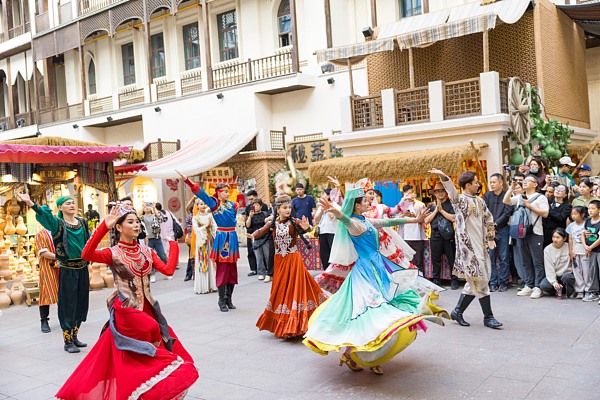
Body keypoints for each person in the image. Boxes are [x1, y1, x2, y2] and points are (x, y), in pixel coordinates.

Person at [56, 205, 199, 399]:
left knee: (156, 354)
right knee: (144, 349)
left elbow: (168, 270)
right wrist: (103, 227)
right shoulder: (113, 253)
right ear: (119, 227)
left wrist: (173, 243)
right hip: (127, 311)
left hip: (148, 309)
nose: (136, 225)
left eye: (137, 221)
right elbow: (86, 254)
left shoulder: (147, 251)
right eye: (130, 222)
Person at [303, 187, 445, 375]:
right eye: (365, 200)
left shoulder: (365, 220)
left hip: (379, 267)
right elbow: (345, 220)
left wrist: (415, 220)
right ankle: (354, 355)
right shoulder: (355, 224)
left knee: (385, 309)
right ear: (356, 205)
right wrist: (336, 211)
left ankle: (373, 357)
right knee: (374, 313)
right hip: (366, 273)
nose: (369, 202)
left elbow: (389, 221)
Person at [17, 192, 91, 353]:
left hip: (83, 268)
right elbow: (45, 216)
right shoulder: (58, 224)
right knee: (68, 305)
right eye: (67, 203)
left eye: (73, 202)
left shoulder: (83, 223)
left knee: (81, 304)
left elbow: (90, 242)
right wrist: (31, 203)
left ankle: (75, 336)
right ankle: (67, 341)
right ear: (60, 207)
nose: (72, 205)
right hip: (68, 269)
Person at [428, 169, 502, 329]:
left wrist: (490, 237)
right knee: (481, 282)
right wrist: (444, 177)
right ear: (468, 185)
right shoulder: (459, 200)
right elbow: (451, 190)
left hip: (481, 247)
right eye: (475, 182)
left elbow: (489, 217)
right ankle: (488, 317)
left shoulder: (480, 201)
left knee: (475, 282)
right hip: (469, 250)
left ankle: (457, 311)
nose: (478, 184)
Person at [252, 194, 326, 338]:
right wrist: (252, 235)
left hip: (293, 260)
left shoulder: (294, 222)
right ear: (278, 209)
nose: (288, 210)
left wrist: (308, 227)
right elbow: (262, 231)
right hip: (280, 261)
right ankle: (282, 321)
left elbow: (311, 230)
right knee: (280, 289)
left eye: (289, 207)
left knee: (294, 289)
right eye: (285, 207)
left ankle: (295, 324)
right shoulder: (273, 223)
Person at [180, 171, 239, 312]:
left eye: (228, 191)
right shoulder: (214, 204)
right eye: (225, 191)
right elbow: (201, 194)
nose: (228, 193)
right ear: (218, 193)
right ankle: (221, 300)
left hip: (232, 237)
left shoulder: (234, 205)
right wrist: (188, 181)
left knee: (232, 270)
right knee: (223, 270)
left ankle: (229, 298)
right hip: (222, 237)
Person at [504, 175, 549, 300]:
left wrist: (530, 206)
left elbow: (545, 213)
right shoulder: (520, 197)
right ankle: (529, 284)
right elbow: (506, 201)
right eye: (524, 181)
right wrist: (511, 188)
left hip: (535, 233)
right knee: (525, 261)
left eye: (528, 181)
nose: (524, 182)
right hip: (521, 232)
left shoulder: (541, 197)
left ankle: (538, 287)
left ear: (535, 184)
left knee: (537, 261)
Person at [425, 182, 458, 289]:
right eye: (437, 191)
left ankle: (454, 279)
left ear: (446, 192)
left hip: (448, 235)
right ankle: (436, 279)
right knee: (435, 259)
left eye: (442, 191)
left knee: (452, 258)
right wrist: (435, 211)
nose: (440, 193)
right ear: (435, 193)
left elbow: (453, 218)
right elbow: (426, 220)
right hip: (435, 235)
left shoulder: (450, 204)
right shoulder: (431, 206)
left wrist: (442, 211)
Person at [484, 173, 513, 293]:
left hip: (503, 229)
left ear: (501, 183)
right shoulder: (487, 196)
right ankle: (492, 282)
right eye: (490, 182)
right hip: (489, 230)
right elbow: (484, 212)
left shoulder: (507, 195)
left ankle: (503, 282)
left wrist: (495, 225)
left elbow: (507, 213)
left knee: (503, 257)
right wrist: (490, 226)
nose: (492, 184)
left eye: (494, 182)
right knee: (490, 257)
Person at [397, 184, 427, 273]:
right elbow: (396, 220)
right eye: (407, 194)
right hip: (404, 237)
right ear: (404, 194)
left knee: (419, 261)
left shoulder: (420, 205)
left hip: (417, 237)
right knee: (406, 261)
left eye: (411, 193)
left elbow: (425, 220)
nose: (410, 195)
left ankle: (420, 277)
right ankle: (408, 278)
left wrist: (416, 217)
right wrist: (404, 215)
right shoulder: (401, 205)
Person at [35, 228, 59, 333]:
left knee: (63, 294)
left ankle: (65, 319)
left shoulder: (59, 231)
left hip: (61, 267)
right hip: (47, 268)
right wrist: (59, 257)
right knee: (45, 293)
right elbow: (43, 252)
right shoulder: (40, 234)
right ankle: (44, 320)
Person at [192, 199, 218, 294]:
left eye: (204, 204)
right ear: (197, 206)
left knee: (211, 262)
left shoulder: (210, 216)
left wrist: (211, 228)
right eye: (201, 204)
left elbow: (215, 227)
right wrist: (205, 227)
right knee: (203, 263)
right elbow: (196, 230)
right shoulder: (195, 218)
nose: (203, 206)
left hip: (210, 242)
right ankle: (203, 287)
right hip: (202, 243)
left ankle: (212, 285)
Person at [541, 228, 575, 299]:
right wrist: (554, 283)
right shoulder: (547, 249)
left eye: (558, 237)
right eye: (553, 237)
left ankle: (569, 292)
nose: (555, 240)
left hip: (567, 274)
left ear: (564, 238)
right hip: (556, 275)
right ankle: (559, 290)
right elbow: (549, 268)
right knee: (544, 285)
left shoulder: (569, 246)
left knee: (567, 277)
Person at [140, 202, 168, 283]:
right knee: (149, 257)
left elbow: (161, 218)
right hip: (148, 239)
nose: (147, 207)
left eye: (148, 206)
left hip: (157, 238)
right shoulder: (143, 217)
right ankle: (152, 274)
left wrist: (154, 207)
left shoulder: (154, 215)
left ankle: (167, 271)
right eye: (145, 207)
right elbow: (137, 217)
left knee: (162, 255)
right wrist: (142, 207)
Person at [246, 198, 272, 281]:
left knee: (267, 255)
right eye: (254, 206)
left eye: (257, 205)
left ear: (261, 206)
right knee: (259, 257)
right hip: (255, 238)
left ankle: (270, 272)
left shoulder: (265, 214)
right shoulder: (251, 215)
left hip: (265, 237)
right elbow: (247, 225)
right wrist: (250, 217)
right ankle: (261, 272)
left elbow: (268, 223)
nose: (256, 207)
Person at [567, 206, 589, 300]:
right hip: (575, 252)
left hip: (585, 251)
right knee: (577, 271)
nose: (573, 216)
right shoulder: (571, 226)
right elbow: (570, 240)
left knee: (587, 272)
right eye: (572, 214)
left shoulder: (587, 224)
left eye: (575, 214)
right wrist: (570, 252)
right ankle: (579, 290)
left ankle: (588, 290)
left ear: (582, 215)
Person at [313, 188, 337, 270]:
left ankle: (334, 270)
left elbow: (332, 216)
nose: (323, 196)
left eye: (324, 194)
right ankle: (326, 270)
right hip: (322, 232)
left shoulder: (335, 205)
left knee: (332, 252)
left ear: (329, 195)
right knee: (324, 253)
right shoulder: (321, 206)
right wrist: (321, 211)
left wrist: (327, 208)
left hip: (332, 232)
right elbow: (316, 219)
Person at [581, 200, 600, 303]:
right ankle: (594, 293)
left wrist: (590, 247)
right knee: (592, 272)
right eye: (589, 208)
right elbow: (583, 234)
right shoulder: (588, 221)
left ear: (599, 210)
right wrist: (585, 246)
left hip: (597, 250)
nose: (590, 210)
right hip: (591, 251)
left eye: (593, 208)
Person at [542, 184, 571, 248]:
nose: (558, 191)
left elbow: (561, 217)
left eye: (561, 190)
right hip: (543, 232)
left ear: (565, 195)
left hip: (557, 233)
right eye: (557, 189)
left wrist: (548, 210)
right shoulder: (547, 201)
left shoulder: (567, 206)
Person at [244, 190, 264, 277]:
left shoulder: (263, 206)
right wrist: (249, 217)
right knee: (251, 251)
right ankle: (254, 269)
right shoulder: (248, 208)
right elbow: (246, 220)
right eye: (249, 199)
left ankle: (264, 268)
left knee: (263, 252)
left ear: (256, 197)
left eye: (252, 199)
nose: (251, 201)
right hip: (250, 231)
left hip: (261, 231)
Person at [184, 197, 196, 281]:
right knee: (191, 256)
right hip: (192, 239)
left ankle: (196, 274)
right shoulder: (190, 217)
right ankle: (189, 274)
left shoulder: (200, 216)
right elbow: (187, 207)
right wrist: (192, 198)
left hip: (200, 238)